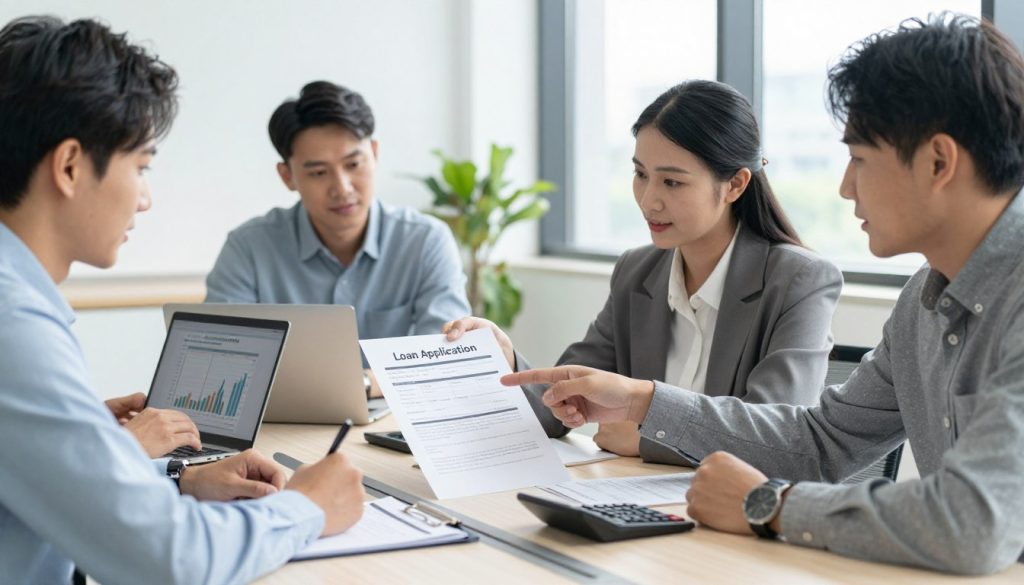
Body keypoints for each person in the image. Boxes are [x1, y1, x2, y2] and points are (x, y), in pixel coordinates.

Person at [502, 14, 1024, 575]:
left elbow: (973, 525)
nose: (845, 187)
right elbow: (822, 444)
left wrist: (769, 504)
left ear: (938, 162)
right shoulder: (923, 298)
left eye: (859, 159)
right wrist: (644, 402)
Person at [0, 16, 365, 584]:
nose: (145, 199)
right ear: (70, 166)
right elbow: (167, 561)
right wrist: (307, 507)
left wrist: (171, 477)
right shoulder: (13, 323)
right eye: (141, 167)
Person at [446, 80, 842, 464]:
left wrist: (647, 437)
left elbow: (777, 439)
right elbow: (562, 406)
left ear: (735, 184)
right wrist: (506, 360)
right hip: (638, 505)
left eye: (672, 181)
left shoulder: (799, 281)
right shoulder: (637, 271)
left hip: (742, 520)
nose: (648, 200)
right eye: (640, 174)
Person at [205, 80, 471, 342]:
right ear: (287, 176)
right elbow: (222, 358)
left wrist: (365, 384)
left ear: (375, 154)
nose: (342, 188)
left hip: (388, 390)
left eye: (353, 164)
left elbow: (444, 357)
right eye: (319, 173)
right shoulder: (248, 249)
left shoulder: (425, 241)